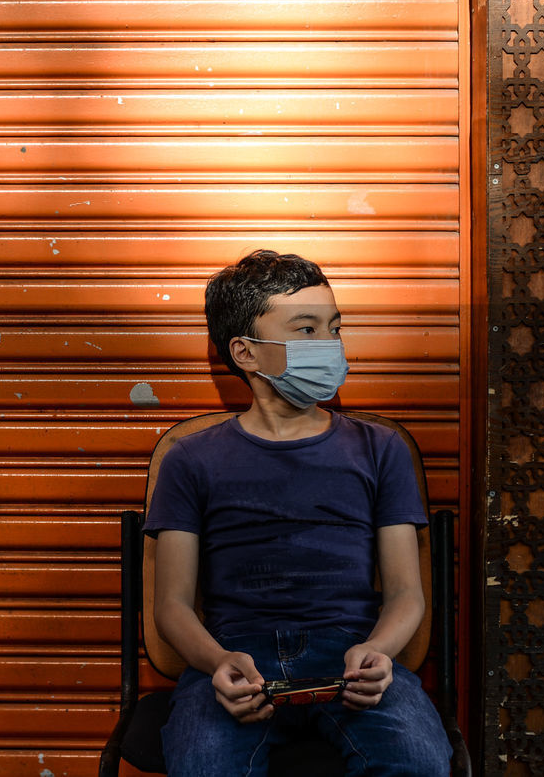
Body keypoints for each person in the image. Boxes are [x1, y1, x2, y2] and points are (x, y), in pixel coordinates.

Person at [143, 250, 452, 776]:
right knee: (203, 764)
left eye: (334, 328)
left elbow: (406, 592)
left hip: (353, 659)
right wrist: (217, 663)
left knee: (418, 762)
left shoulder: (380, 448)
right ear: (246, 353)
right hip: (238, 661)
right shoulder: (190, 458)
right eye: (306, 330)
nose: (328, 345)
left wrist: (379, 651)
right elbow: (171, 605)